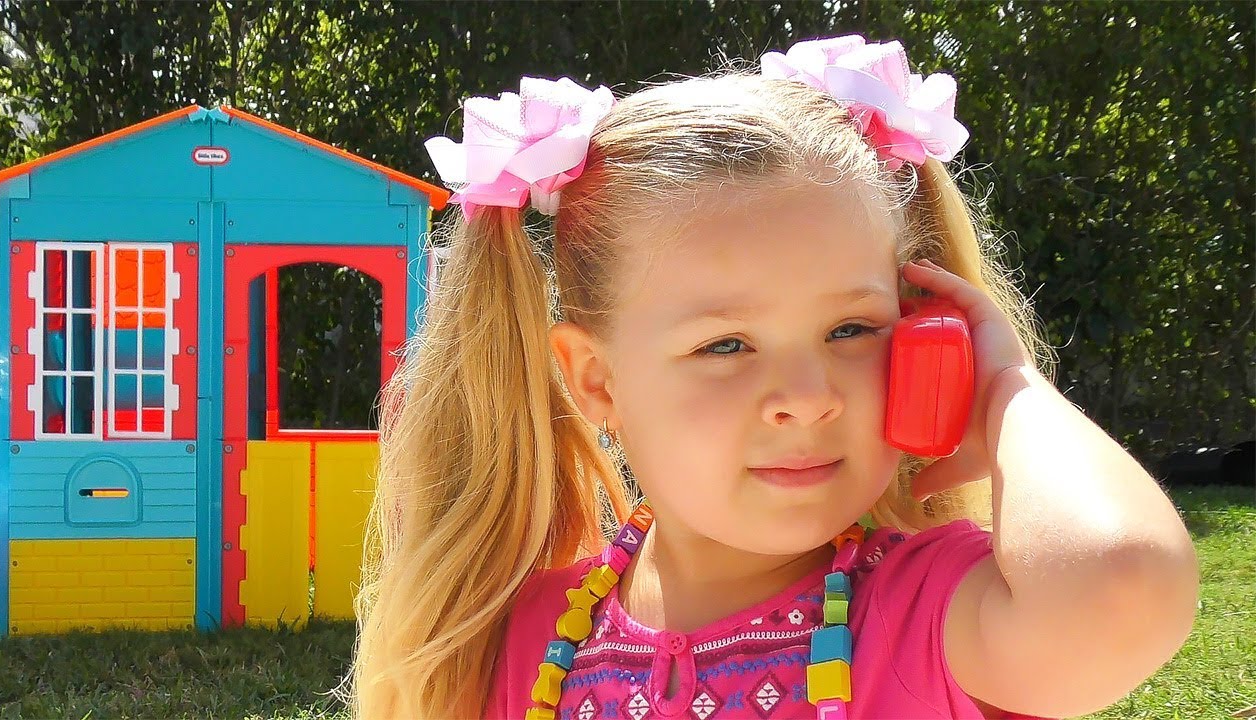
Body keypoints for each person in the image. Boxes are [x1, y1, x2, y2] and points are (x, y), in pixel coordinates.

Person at [348, 35, 1198, 720]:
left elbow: (1123, 587)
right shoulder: (530, 642)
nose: (809, 396)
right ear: (598, 381)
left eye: (851, 330)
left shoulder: (932, 616)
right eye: (726, 345)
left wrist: (1008, 388)